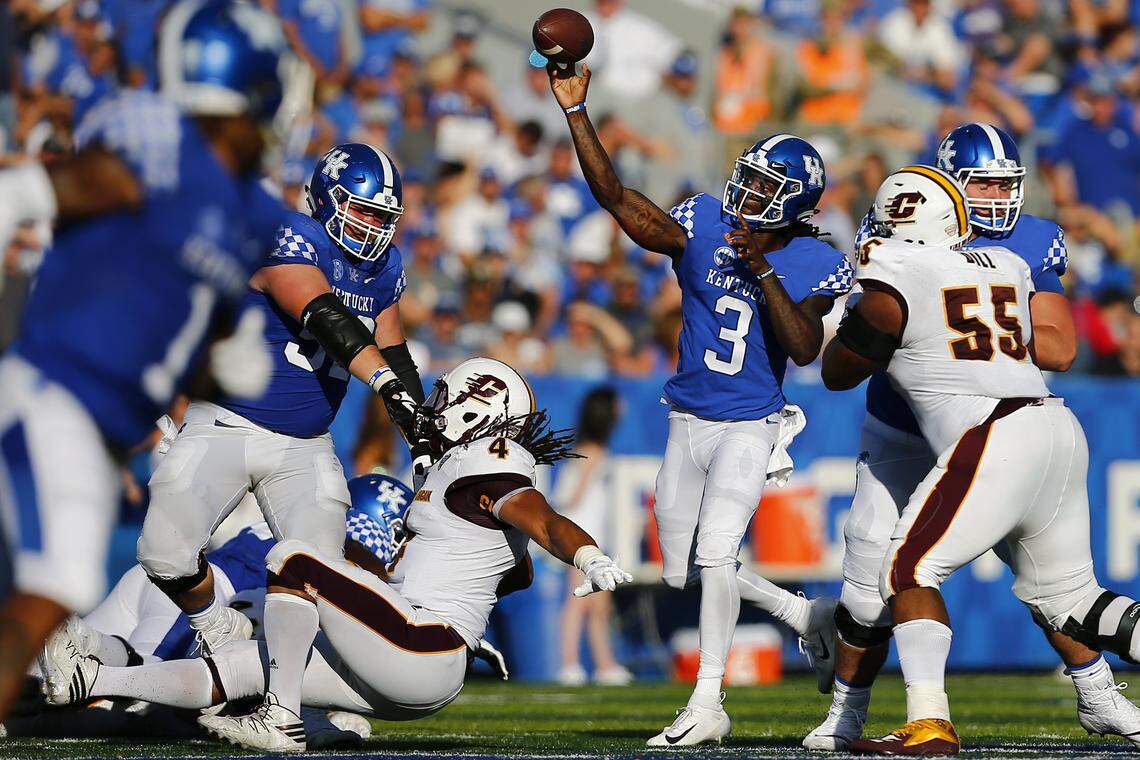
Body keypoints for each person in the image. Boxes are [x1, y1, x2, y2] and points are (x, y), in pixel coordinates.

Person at [43, 358, 633, 752]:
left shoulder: (494, 463)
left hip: (424, 644)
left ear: (482, 412)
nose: (437, 404)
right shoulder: (460, 476)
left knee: (295, 556)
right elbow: (517, 571)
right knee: (252, 661)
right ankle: (97, 677)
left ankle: (280, 714)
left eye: (451, 398)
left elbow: (547, 523)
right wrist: (472, 593)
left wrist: (586, 555)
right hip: (411, 655)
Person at [0, 0, 291, 720]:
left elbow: (191, 334)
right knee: (46, 593)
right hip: (53, 392)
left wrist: (222, 364)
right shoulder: (162, 151)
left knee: (45, 597)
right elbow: (46, 189)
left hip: (97, 427)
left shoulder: (254, 214)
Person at [548, 61, 852, 746]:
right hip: (686, 419)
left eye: (766, 188)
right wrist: (576, 113)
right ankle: (806, 618)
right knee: (686, 569)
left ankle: (708, 703)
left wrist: (762, 269)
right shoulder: (705, 221)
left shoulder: (812, 260)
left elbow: (803, 345)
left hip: (751, 422)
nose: (745, 191)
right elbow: (619, 199)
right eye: (748, 175)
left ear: (793, 206)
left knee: (717, 557)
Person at [822, 167, 1140, 755]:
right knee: (1075, 603)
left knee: (908, 570)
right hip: (1055, 424)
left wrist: (842, 321)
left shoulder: (893, 281)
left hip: (995, 435)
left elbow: (838, 373)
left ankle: (929, 724)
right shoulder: (1008, 266)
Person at [133, 142, 428, 749]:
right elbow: (324, 315)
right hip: (229, 424)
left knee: (312, 577)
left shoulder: (386, 267)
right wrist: (386, 384)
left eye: (382, 216)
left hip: (305, 446)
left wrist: (419, 429)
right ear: (324, 200)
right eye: (361, 210)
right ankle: (216, 624)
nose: (372, 227)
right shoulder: (287, 234)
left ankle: (285, 710)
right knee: (163, 554)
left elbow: (393, 346)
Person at [24, 474, 413, 748]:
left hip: (180, 591)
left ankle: (64, 646)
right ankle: (72, 645)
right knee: (134, 705)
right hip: (197, 601)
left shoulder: (308, 519)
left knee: (38, 683)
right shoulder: (335, 547)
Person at [554, 387, 631, 686]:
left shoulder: (593, 449)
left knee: (600, 605)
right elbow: (573, 497)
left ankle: (605, 665)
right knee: (577, 602)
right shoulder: (594, 452)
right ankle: (569, 665)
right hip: (582, 541)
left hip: (594, 540)